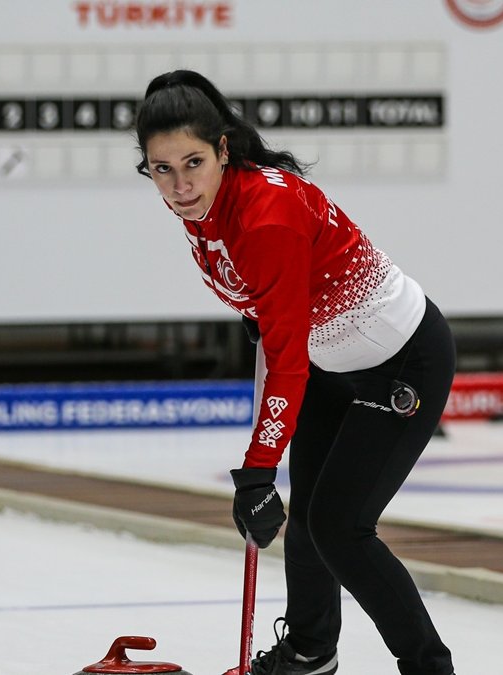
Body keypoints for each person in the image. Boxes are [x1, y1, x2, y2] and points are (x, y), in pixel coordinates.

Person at [134, 70, 457, 675]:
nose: (179, 186)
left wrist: (257, 473)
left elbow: (284, 361)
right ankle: (310, 652)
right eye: (161, 169)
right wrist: (262, 309)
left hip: (402, 360)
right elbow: (272, 302)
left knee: (340, 526)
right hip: (331, 361)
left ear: (223, 150)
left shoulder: (266, 213)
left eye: (193, 163)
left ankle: (428, 667)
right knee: (310, 516)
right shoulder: (209, 201)